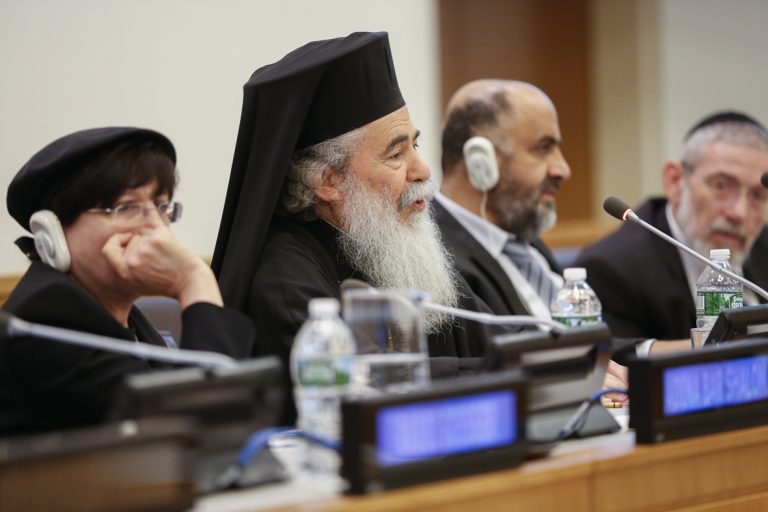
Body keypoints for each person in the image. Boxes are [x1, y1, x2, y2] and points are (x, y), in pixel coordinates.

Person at [212, 32, 492, 422]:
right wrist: (496, 372)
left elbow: (503, 345)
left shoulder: (401, 246)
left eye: (415, 145)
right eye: (396, 154)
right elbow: (364, 396)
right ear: (328, 181)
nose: (423, 170)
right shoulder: (284, 281)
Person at [1, 127, 255, 436]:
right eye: (127, 207)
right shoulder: (46, 319)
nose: (156, 228)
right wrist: (194, 279)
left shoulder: (113, 308)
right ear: (51, 233)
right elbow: (195, 429)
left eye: (161, 206)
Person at [577, 111, 768, 340]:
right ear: (675, 181)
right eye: (721, 186)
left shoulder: (763, 246)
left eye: (758, 195)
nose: (739, 213)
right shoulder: (613, 270)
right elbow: (621, 357)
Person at [437, 79, 570, 320]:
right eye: (543, 148)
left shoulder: (522, 238)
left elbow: (585, 336)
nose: (563, 170)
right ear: (480, 160)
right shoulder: (438, 264)